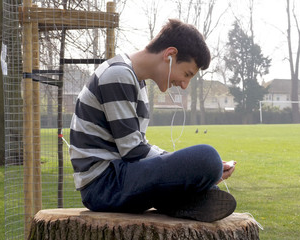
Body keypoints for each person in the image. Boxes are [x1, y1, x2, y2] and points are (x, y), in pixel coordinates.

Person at [69, 19, 237, 222]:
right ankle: (182, 196)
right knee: (207, 157)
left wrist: (185, 168)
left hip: (117, 178)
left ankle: (180, 200)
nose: (184, 85)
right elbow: (133, 152)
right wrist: (187, 166)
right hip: (103, 185)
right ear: (170, 55)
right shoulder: (117, 74)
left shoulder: (134, 81)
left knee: (206, 166)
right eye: (186, 74)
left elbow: (137, 148)